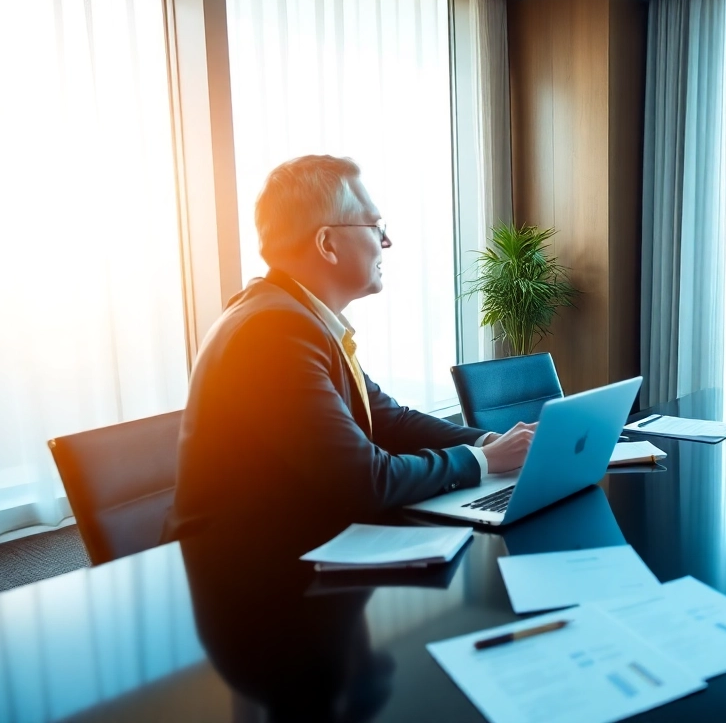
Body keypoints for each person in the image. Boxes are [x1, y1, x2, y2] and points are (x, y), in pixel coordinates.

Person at [164, 155, 535, 540]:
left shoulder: (295, 316)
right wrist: (484, 460)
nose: (386, 241)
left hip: (291, 547)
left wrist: (491, 441)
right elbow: (365, 480)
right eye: (376, 227)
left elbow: (391, 421)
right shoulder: (274, 331)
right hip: (242, 577)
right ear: (327, 243)